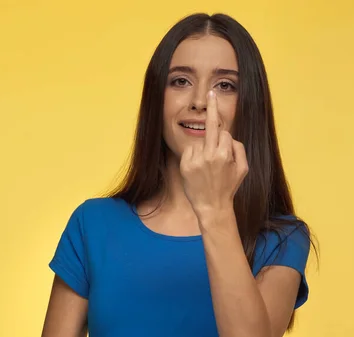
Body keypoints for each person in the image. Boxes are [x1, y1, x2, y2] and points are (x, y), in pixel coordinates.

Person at [41, 12, 316, 337]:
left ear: (249, 106)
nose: (199, 101)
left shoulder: (282, 239)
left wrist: (214, 209)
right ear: (157, 98)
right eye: (181, 81)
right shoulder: (92, 225)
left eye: (225, 85)